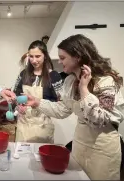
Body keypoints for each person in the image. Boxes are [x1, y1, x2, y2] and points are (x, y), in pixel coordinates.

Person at [25, 34, 124, 180]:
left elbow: (100, 119)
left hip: (102, 149)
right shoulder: (70, 82)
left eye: (63, 58)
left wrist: (84, 89)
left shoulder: (106, 81)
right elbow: (62, 110)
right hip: (79, 145)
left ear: (77, 56)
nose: (59, 61)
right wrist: (37, 103)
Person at [13, 40, 63, 143]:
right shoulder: (23, 74)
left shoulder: (54, 76)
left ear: (45, 55)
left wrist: (39, 104)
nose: (34, 60)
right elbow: (15, 95)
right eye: (31, 56)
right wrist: (18, 106)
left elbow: (60, 104)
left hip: (43, 127)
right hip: (24, 126)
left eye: (37, 56)